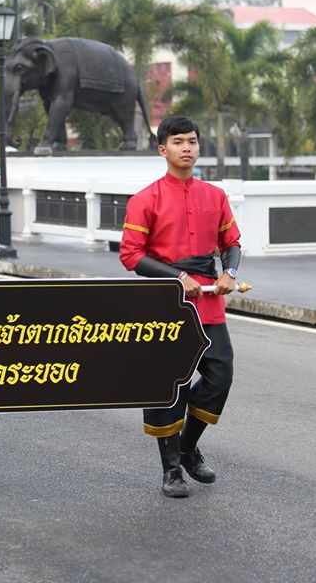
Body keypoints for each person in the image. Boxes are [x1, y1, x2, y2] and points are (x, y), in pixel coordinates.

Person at [119, 115, 241, 499]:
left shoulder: (215, 196)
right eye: (177, 142)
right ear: (163, 149)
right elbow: (130, 255)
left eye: (191, 141)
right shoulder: (145, 199)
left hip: (209, 303)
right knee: (168, 385)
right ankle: (171, 470)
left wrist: (230, 272)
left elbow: (232, 243)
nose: (186, 148)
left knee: (220, 375)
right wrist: (178, 277)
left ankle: (188, 447)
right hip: (164, 304)